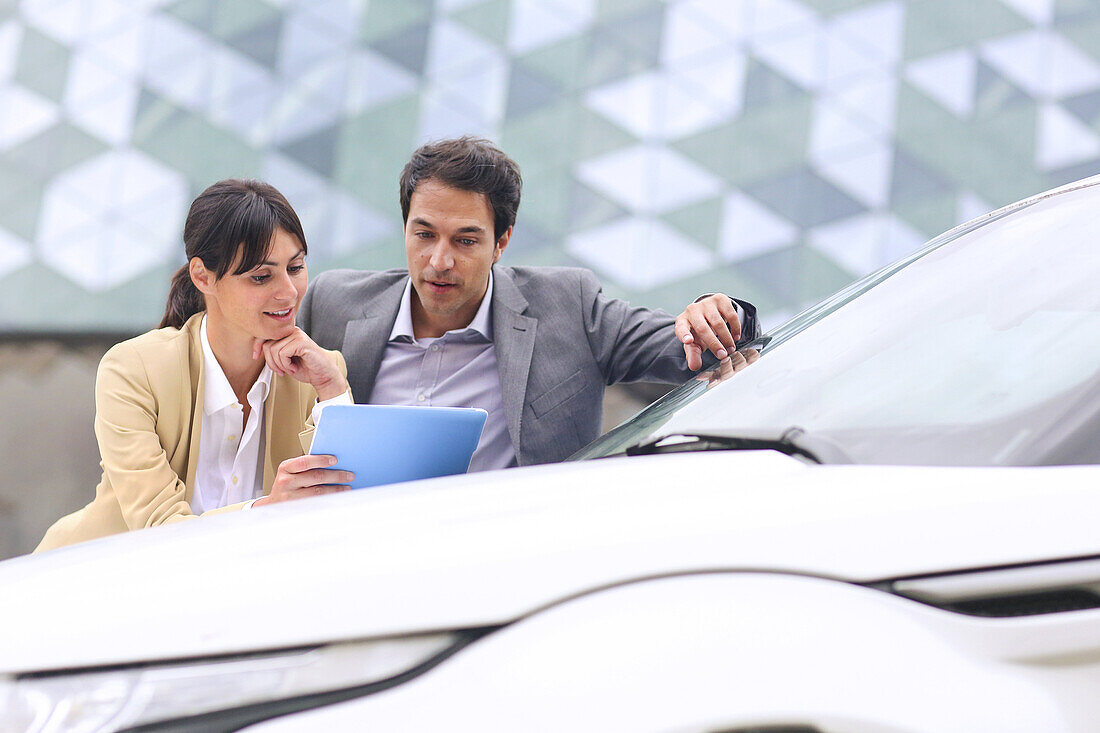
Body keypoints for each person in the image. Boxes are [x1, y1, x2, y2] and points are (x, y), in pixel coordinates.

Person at [299, 137, 760, 469]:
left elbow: (687, 344)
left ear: (502, 243)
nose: (439, 261)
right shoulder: (333, 303)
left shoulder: (567, 306)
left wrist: (718, 314)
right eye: (424, 235)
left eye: (465, 240)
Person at [36, 180, 354, 552]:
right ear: (203, 276)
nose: (288, 291)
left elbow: (346, 504)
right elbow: (158, 527)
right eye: (261, 276)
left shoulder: (321, 371)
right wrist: (269, 509)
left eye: (296, 267)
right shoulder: (132, 370)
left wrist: (332, 389)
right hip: (100, 579)